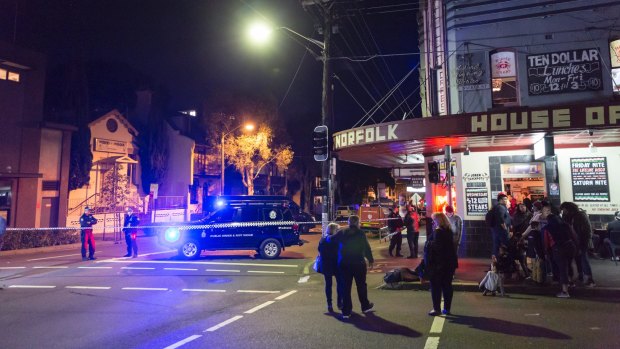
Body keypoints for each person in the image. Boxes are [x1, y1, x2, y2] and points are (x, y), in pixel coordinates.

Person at [335, 215, 374, 319]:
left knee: (345, 287)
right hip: (358, 263)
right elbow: (366, 247)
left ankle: (346, 311)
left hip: (344, 264)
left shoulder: (342, 232)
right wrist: (370, 259)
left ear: (348, 222)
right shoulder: (360, 233)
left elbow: (331, 241)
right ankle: (365, 306)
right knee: (361, 285)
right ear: (357, 223)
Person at [426, 212, 458, 316]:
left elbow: (437, 248)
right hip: (450, 263)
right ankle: (447, 308)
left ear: (438, 220)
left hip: (438, 264)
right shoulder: (449, 231)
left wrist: (429, 244)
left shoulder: (438, 232)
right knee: (447, 285)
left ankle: (436, 309)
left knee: (436, 286)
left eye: (434, 220)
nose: (433, 222)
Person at [560, 202, 595, 287]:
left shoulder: (580, 216)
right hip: (572, 242)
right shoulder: (567, 217)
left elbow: (587, 230)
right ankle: (581, 277)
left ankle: (589, 279)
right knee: (577, 259)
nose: (563, 212)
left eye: (564, 210)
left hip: (582, 241)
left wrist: (585, 242)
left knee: (583, 259)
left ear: (569, 208)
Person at [544, 214, 578, 298]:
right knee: (569, 264)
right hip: (570, 246)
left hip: (559, 248)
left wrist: (546, 252)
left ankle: (565, 291)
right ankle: (571, 282)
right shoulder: (565, 225)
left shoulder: (547, 228)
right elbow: (574, 235)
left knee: (563, 269)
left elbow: (546, 242)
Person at [318, 222, 343, 312]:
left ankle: (329, 304)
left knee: (328, 285)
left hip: (326, 264)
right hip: (336, 264)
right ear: (335, 230)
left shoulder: (323, 239)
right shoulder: (336, 240)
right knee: (340, 283)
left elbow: (319, 250)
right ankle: (340, 302)